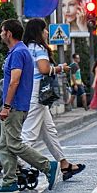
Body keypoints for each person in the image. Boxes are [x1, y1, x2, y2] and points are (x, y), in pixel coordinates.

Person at [0, 19, 61, 193]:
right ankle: (9, 182)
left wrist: (6, 106)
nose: (0, 34)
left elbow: (14, 81)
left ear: (9, 33)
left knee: (13, 144)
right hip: (16, 104)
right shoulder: (17, 51)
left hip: (15, 105)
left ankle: (47, 166)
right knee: (5, 146)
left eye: (2, 31)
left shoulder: (18, 52)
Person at [20, 19, 85, 181]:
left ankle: (64, 164)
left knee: (50, 132)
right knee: (30, 134)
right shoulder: (38, 48)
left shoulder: (26, 48)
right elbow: (43, 69)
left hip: (33, 93)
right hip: (38, 95)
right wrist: (60, 68)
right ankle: (17, 165)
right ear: (38, 32)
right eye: (44, 30)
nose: (47, 33)